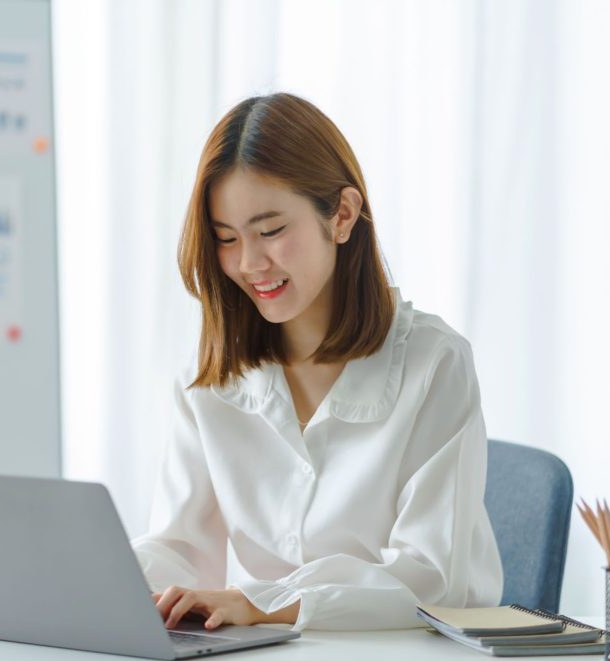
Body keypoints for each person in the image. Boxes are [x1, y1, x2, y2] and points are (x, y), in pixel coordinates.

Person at [132, 93, 503, 632]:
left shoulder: (435, 363)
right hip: (270, 654)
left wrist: (265, 604)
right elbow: (180, 547)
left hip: (414, 655)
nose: (249, 263)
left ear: (343, 215)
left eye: (271, 231)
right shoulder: (209, 376)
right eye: (226, 239)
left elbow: (429, 577)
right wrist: (114, 583)